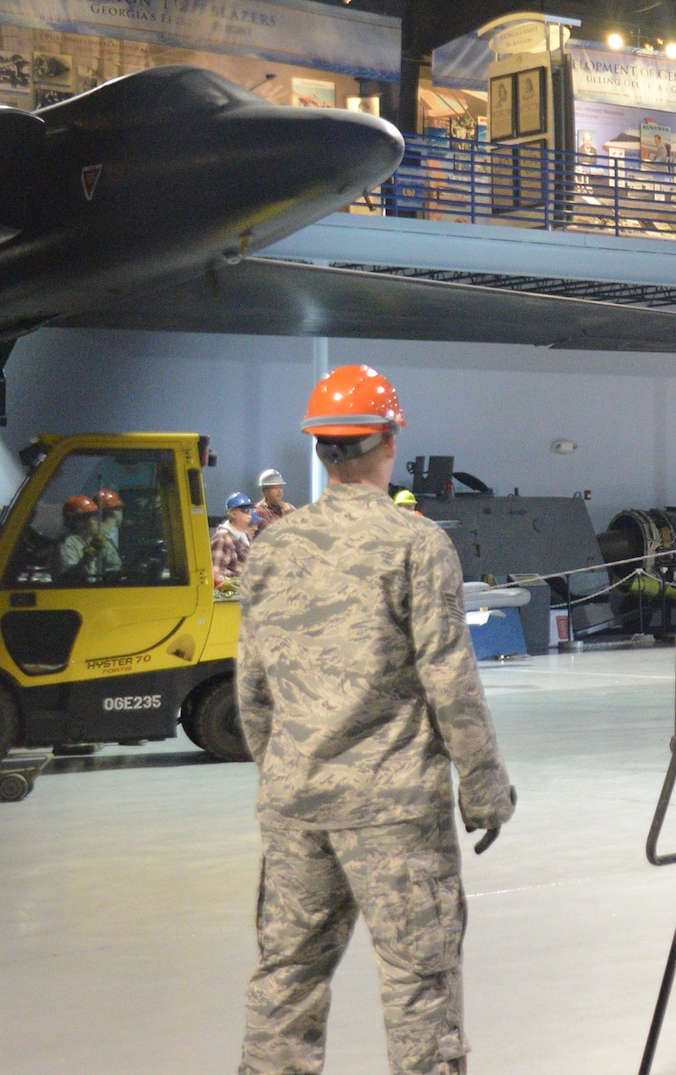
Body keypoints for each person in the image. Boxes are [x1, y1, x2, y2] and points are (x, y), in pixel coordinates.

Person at [236, 364, 514, 1075]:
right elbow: (450, 679)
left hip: (296, 804)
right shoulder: (416, 544)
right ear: (388, 440)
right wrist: (483, 788)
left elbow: (253, 690)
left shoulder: (271, 547)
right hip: (393, 811)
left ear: (322, 450)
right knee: (419, 986)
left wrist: (287, 768)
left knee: (286, 979)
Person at [212, 493, 257, 589]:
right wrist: (233, 583)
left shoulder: (246, 536)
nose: (249, 513)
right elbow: (216, 574)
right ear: (233, 514)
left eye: (250, 509)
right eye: (245, 510)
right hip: (234, 595)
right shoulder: (222, 537)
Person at [57, 494, 106, 582]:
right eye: (94, 519)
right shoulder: (68, 543)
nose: (97, 523)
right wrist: (89, 555)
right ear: (79, 522)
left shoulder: (86, 541)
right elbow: (70, 576)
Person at [94, 488, 125, 576]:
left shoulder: (107, 537)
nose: (122, 513)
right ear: (114, 511)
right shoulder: (99, 538)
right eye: (121, 509)